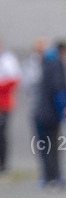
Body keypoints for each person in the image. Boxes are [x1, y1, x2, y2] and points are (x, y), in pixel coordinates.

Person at [32, 42, 66, 188]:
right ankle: (53, 177)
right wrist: (63, 109)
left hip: (40, 113)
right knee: (52, 146)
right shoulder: (56, 66)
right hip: (50, 114)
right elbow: (58, 90)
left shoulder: (45, 65)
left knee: (45, 146)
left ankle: (49, 176)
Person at [0, 38, 22, 175]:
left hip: (3, 103)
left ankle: (3, 163)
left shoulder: (8, 59)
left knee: (2, 134)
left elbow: (14, 79)